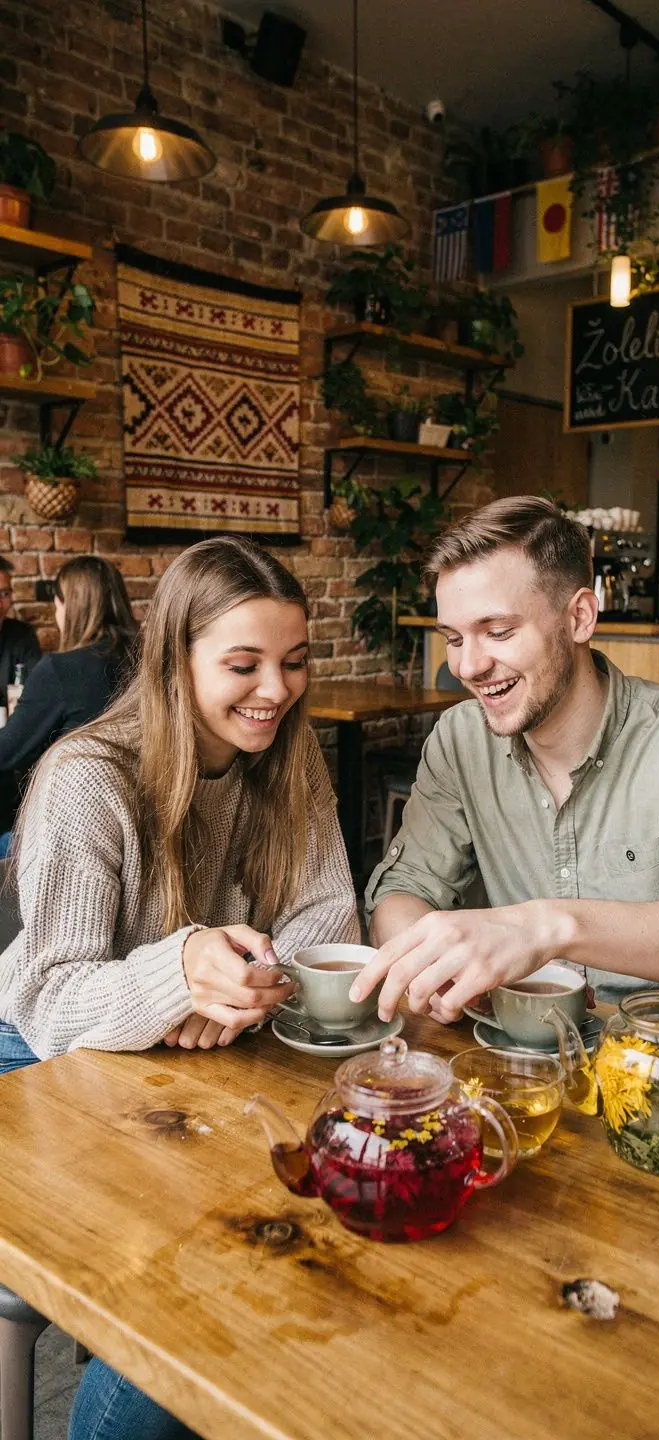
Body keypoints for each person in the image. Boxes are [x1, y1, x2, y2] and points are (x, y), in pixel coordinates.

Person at [0, 535, 358, 1440]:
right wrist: (178, 974)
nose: (275, 690)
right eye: (243, 665)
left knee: (300, 1224)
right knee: (191, 1274)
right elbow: (50, 994)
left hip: (185, 1066)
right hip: (38, 1058)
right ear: (174, 659)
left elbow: (332, 919)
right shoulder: (88, 779)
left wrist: (241, 985)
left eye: (293, 662)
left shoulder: (287, 755)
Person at [356, 495, 659, 1032]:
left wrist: (544, 928)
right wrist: (431, 967)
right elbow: (403, 889)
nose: (468, 666)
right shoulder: (461, 739)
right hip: (525, 1063)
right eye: (454, 638)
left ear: (579, 617)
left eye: (498, 631)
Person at [0, 554, 138, 779]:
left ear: (71, 609)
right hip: (148, 797)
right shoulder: (146, 657)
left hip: (83, 799)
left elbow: (7, 752)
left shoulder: (61, 669)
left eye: (57, 607)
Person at [0, 556, 41, 831]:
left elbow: (34, 694)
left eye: (5, 593)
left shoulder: (22, 635)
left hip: (13, 744)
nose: (2, 602)